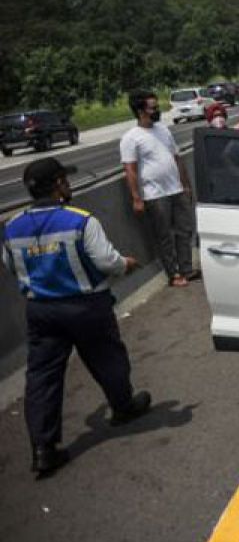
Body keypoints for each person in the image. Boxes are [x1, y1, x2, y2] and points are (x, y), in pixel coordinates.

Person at [2, 158, 152, 477]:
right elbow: (106, 261)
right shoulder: (80, 221)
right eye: (64, 181)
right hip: (85, 307)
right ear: (57, 184)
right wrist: (125, 263)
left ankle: (44, 449)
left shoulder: (12, 226)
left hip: (41, 311)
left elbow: (11, 265)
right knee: (107, 358)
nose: (68, 185)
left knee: (42, 377)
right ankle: (123, 407)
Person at [120, 90, 197, 288]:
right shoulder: (131, 138)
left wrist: (186, 185)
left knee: (185, 230)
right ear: (140, 111)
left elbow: (176, 157)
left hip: (177, 189)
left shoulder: (163, 130)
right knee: (165, 237)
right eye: (153, 108)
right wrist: (136, 198)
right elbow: (130, 170)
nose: (157, 111)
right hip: (155, 195)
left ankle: (187, 269)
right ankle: (174, 274)